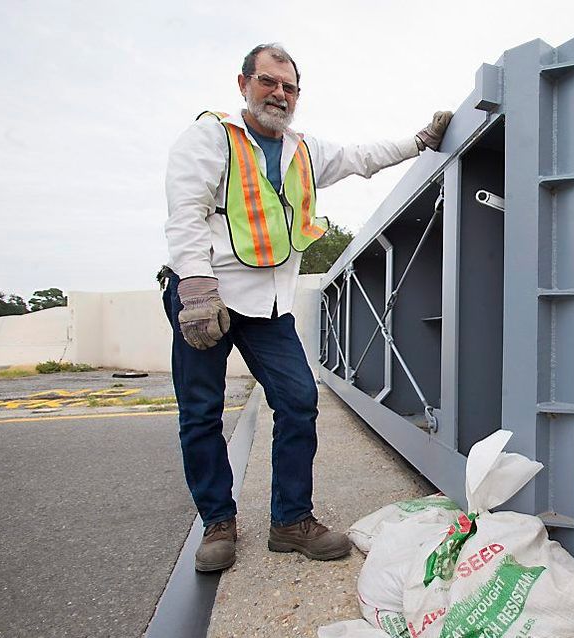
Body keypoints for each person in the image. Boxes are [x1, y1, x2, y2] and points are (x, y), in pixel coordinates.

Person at [162, 42, 452, 572]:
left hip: (267, 306)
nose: (279, 94)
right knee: (200, 414)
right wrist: (197, 289)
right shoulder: (212, 137)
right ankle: (218, 522)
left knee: (298, 402)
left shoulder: (302, 149)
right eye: (268, 82)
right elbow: (186, 211)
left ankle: (290, 522)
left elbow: (360, 158)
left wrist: (418, 143)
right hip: (207, 296)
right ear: (244, 83)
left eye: (289, 87)